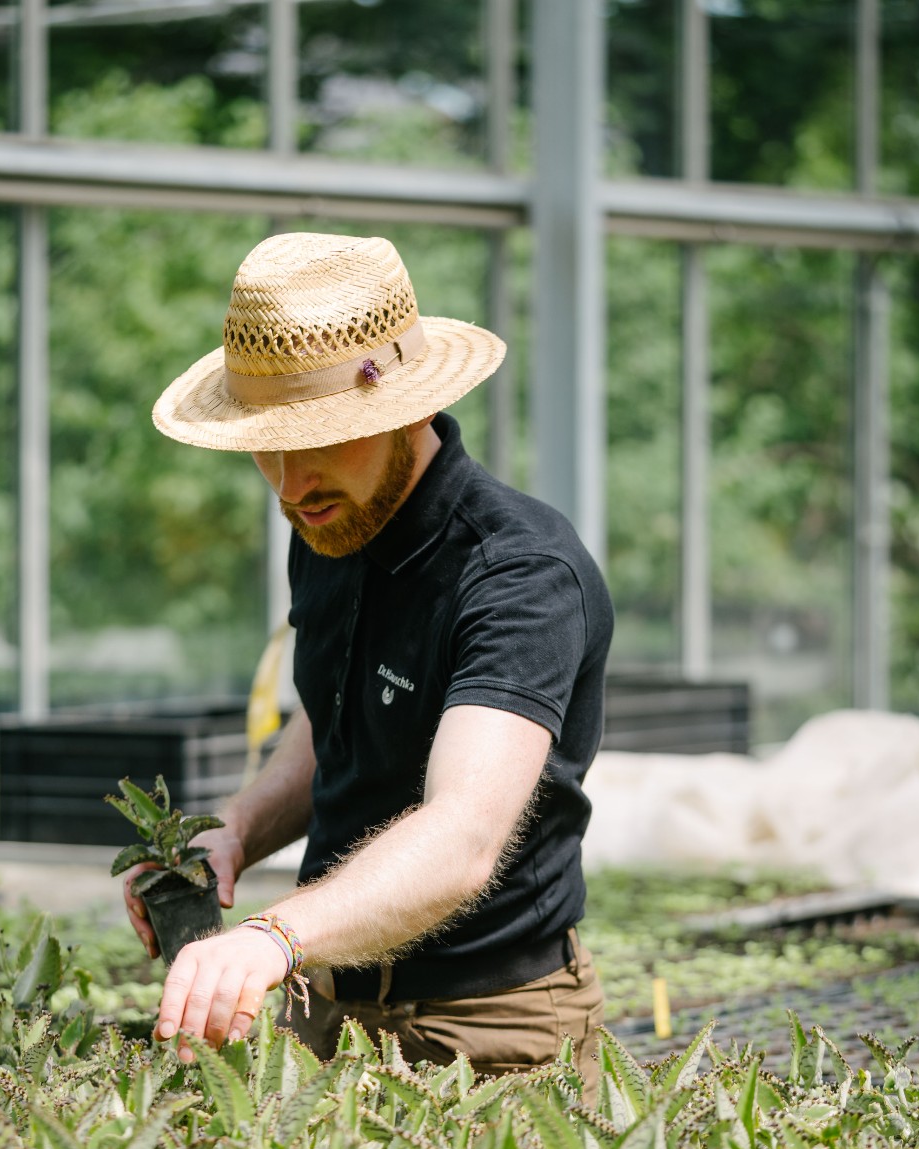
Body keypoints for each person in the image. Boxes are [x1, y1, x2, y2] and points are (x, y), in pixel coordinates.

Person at [125, 231, 613, 1095]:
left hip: (489, 1025)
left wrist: (273, 935)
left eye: (319, 440)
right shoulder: (331, 522)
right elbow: (337, 718)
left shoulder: (520, 575)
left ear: (409, 410)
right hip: (325, 998)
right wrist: (236, 829)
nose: (289, 484)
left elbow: (463, 837)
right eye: (267, 446)